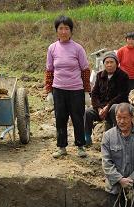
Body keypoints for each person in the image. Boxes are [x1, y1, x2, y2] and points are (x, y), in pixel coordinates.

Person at [45, 15, 91, 159]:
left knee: (77, 118)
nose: (63, 31)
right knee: (60, 118)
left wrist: (86, 92)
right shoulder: (52, 48)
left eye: (66, 28)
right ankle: (62, 147)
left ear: (71, 31)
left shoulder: (78, 48)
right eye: (61, 28)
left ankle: (81, 146)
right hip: (58, 89)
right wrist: (49, 91)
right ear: (56, 31)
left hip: (76, 90)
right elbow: (49, 71)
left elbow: (85, 70)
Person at [85, 52, 129, 146]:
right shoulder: (100, 75)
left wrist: (108, 106)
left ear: (116, 64)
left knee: (114, 109)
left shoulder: (123, 76)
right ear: (104, 64)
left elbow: (122, 95)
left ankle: (117, 137)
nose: (109, 65)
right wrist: (99, 108)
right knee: (88, 112)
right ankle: (87, 137)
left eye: (111, 62)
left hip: (116, 106)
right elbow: (94, 94)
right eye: (107, 62)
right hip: (101, 107)